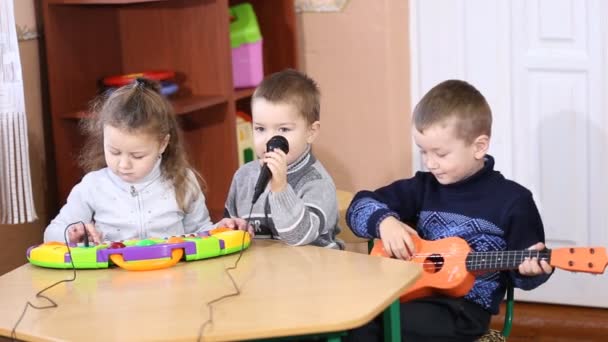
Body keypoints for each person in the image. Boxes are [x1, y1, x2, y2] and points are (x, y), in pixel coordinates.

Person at [345, 79, 553, 341]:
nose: (431, 163)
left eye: (441, 154)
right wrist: (385, 222)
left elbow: (526, 271)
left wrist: (530, 271)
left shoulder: (514, 201)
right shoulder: (423, 187)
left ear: (479, 146)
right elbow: (358, 206)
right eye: (423, 152)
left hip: (463, 311)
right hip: (408, 293)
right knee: (354, 316)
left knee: (374, 324)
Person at [44, 78, 234, 244]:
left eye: (137, 156)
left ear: (162, 144)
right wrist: (72, 234)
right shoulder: (93, 186)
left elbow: (202, 234)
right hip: (113, 281)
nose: (123, 164)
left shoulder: (182, 181)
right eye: (114, 152)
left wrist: (222, 229)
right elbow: (51, 234)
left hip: (172, 280)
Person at [223, 69, 343, 249]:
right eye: (260, 129)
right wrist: (229, 228)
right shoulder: (243, 177)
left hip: (314, 273)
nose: (269, 140)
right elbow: (229, 228)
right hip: (263, 272)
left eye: (283, 130)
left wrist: (280, 189)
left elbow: (298, 236)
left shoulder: (317, 183)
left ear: (311, 132)